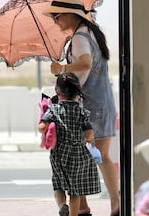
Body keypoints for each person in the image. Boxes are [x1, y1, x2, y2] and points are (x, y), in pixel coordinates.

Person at [43, 0, 120, 216]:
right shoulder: (92, 34)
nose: (55, 21)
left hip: (87, 107)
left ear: (70, 14)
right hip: (104, 102)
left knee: (78, 156)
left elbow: (85, 63)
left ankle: (83, 208)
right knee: (101, 157)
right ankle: (115, 204)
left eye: (57, 16)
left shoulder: (78, 38)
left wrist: (62, 69)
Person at [38, 72, 101, 216]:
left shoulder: (53, 109)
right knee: (75, 191)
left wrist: (44, 129)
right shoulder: (81, 111)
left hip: (59, 153)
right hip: (78, 154)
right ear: (76, 92)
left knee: (58, 184)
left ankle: (61, 205)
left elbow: (42, 126)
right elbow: (89, 133)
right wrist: (88, 140)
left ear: (57, 92)